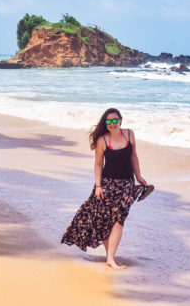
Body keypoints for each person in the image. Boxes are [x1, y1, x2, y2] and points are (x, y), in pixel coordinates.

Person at [61, 108, 154, 269]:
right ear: (106, 123)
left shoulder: (129, 134)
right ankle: (110, 258)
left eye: (115, 120)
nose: (112, 123)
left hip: (126, 184)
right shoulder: (102, 141)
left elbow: (134, 156)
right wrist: (98, 186)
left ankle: (110, 257)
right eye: (109, 121)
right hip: (107, 185)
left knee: (119, 220)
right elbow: (98, 164)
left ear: (120, 120)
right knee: (105, 221)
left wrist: (138, 176)